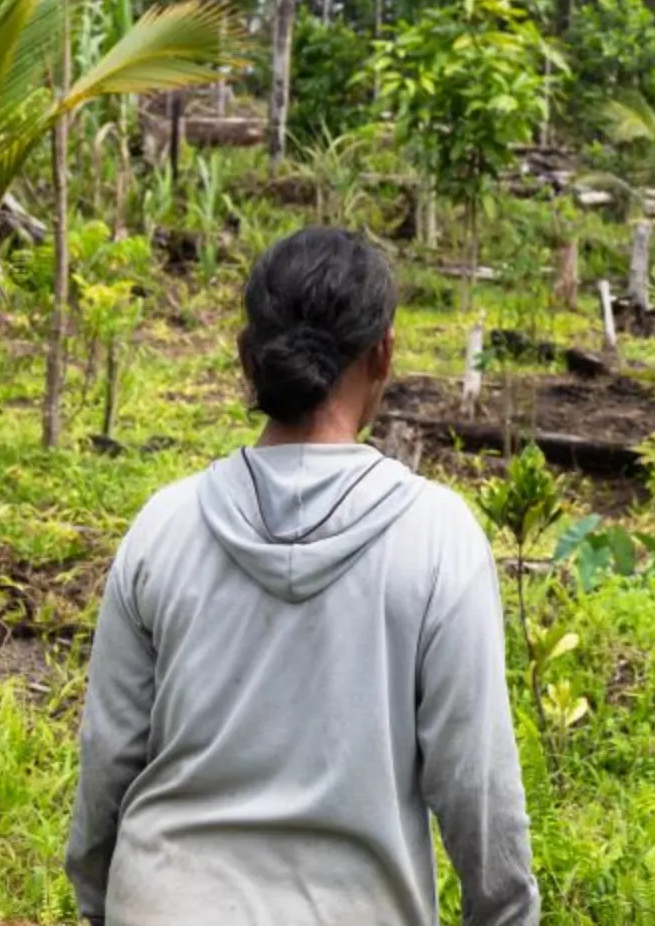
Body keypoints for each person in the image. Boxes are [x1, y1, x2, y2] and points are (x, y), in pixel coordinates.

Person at [65, 226, 539, 926]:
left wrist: (97, 904)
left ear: (246, 355)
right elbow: (477, 784)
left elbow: (108, 757)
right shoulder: (438, 539)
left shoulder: (163, 528)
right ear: (383, 353)